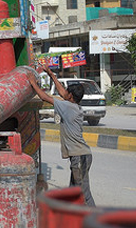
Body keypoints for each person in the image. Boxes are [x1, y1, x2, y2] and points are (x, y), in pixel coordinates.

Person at [27, 63, 95, 206]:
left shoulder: (67, 106)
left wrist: (33, 83)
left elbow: (45, 97)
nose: (64, 94)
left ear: (70, 96)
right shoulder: (73, 105)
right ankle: (73, 220)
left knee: (83, 193)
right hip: (80, 156)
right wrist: (51, 74)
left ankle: (96, 221)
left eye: (67, 93)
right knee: (73, 192)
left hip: (79, 157)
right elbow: (63, 93)